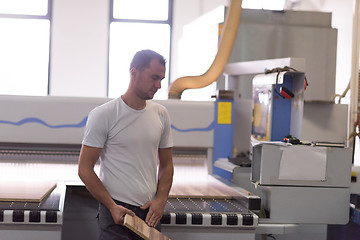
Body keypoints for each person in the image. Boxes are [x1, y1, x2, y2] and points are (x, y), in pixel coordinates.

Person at [78, 49, 174, 240]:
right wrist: (111, 206)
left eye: (162, 79)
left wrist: (161, 200)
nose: (159, 85)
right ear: (134, 72)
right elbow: (84, 169)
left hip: (149, 214)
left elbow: (167, 164)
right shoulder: (104, 114)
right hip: (115, 212)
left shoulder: (161, 114)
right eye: (154, 78)